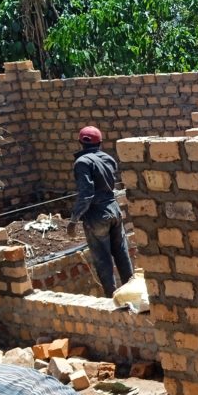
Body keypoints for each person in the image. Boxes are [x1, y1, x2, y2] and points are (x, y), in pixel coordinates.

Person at [67, 126, 134, 298]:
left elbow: (86, 194)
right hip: (114, 209)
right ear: (101, 143)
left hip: (97, 214)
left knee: (103, 260)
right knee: (122, 254)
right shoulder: (108, 159)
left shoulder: (82, 163)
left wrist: (74, 219)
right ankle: (132, 295)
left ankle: (112, 299)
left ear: (80, 143)